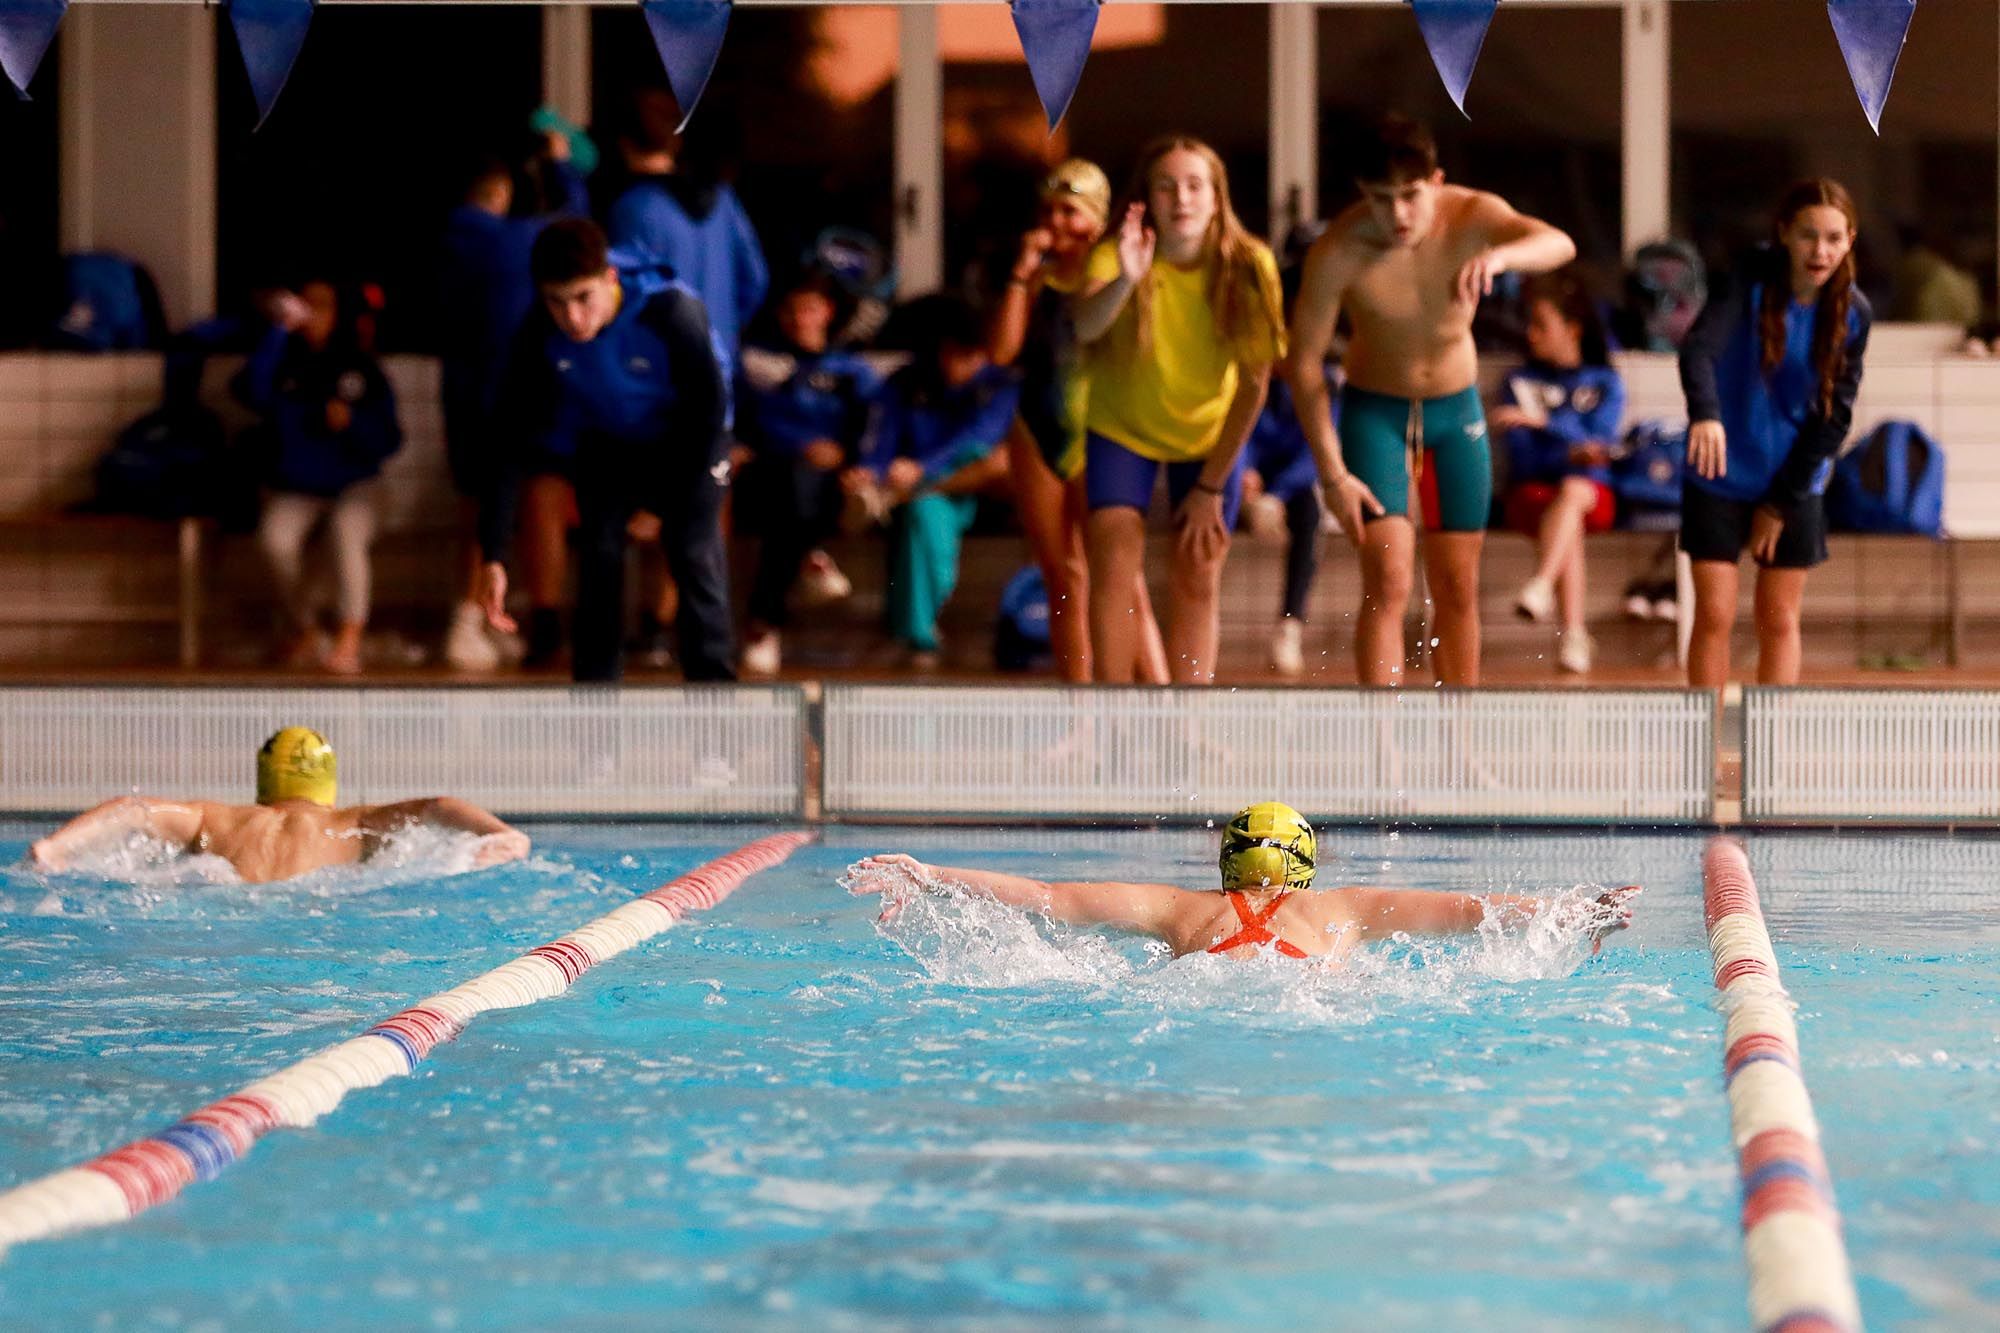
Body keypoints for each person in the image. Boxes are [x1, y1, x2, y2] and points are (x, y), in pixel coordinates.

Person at [1289, 114, 1576, 686]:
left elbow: (1558, 243)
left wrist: (1501, 258)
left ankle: (1458, 747)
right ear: (1360, 194)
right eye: (1381, 200)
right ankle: (1384, 753)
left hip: (1454, 412)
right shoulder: (1338, 251)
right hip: (1377, 414)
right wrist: (1332, 474)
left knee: (1456, 586)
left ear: (1437, 181)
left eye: (1411, 197)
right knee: (1389, 579)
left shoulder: (1472, 216)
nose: (1397, 216)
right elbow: (1302, 365)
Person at [847, 801, 1638, 963]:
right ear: (1307, 864)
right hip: (1314, 998)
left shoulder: (1178, 910)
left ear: (1226, 862)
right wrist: (1581, 908)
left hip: (1200, 994)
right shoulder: (1344, 910)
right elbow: (1478, 912)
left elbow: (1048, 897)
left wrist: (931, 874)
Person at [477, 218, 735, 684]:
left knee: (693, 554)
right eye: (557, 302)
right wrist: (493, 553)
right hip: (610, 439)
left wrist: (664, 505)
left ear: (609, 279)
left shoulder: (670, 312)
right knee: (599, 559)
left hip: (690, 436)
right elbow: (507, 440)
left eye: (583, 298)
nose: (572, 318)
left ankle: (716, 736)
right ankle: (597, 730)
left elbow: (708, 411)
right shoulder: (539, 328)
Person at [1073, 136, 1287, 684]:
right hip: (1124, 428)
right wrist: (1127, 278)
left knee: (1197, 571)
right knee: (1115, 563)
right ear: (1146, 197)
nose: (1181, 199)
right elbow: (1084, 326)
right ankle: (1113, 718)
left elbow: (1254, 385)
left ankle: (1187, 724)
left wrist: (1211, 487)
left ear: (1218, 198)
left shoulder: (1249, 264)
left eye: (1195, 186)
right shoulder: (1117, 251)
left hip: (1209, 435)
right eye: (1166, 187)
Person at [1679, 178, 1872, 688]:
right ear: (1784, 233)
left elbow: (1833, 419)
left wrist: (1778, 504)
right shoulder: (1748, 280)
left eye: (1833, 237)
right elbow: (1699, 348)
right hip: (1718, 470)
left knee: (1779, 618)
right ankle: (1702, 759)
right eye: (1808, 235)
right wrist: (1705, 413)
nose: (1820, 250)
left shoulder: (1853, 314)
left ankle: (1767, 759)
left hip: (1792, 480)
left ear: (1850, 239)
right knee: (1715, 614)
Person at [987, 158, 1167, 684]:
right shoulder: (1037, 281)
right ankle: (1082, 718)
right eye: (1048, 211)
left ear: (1096, 217)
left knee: (1123, 579)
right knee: (1063, 578)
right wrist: (1020, 275)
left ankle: (1172, 713)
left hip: (1103, 434)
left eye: (1069, 212)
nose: (1055, 224)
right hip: (1037, 432)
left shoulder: (1115, 274)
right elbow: (1001, 354)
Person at [438, 137, 588, 671]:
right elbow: (573, 230)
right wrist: (563, 165)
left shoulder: (454, 238)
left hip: (465, 391)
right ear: (500, 191)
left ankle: (482, 614)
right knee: (494, 510)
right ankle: (467, 619)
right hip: (505, 395)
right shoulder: (501, 242)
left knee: (485, 507)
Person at [26, 728, 530, 885]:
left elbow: (132, 810)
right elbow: (440, 805)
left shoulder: (215, 819)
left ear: (263, 780)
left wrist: (56, 847)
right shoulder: (353, 825)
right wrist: (504, 835)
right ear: (328, 782)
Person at [237, 278, 402, 675]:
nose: (313, 314)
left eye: (323, 306)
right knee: (275, 539)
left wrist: (353, 424)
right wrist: (279, 331)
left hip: (356, 484)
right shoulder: (284, 361)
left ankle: (349, 635)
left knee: (346, 532)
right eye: (306, 304)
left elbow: (390, 439)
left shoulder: (362, 366)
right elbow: (251, 392)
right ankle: (306, 627)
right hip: (298, 486)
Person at [848, 296, 1017, 667]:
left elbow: (979, 440)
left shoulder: (998, 386)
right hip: (919, 496)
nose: (963, 365)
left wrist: (922, 470)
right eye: (956, 354)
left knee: (971, 474)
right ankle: (915, 631)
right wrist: (870, 469)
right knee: (923, 515)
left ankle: (913, 628)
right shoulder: (906, 381)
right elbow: (881, 436)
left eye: (972, 356)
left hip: (976, 490)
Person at [735, 270, 882, 676]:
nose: (800, 319)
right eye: (792, 310)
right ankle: (807, 559)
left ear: (828, 313)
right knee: (790, 488)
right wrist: (797, 447)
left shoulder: (851, 370)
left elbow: (874, 428)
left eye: (810, 309)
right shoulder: (759, 363)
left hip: (834, 484)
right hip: (770, 473)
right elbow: (747, 422)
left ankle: (763, 624)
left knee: (802, 499)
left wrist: (853, 461)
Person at [1492, 270, 1626, 675]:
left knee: (1573, 492)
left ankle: (1544, 586)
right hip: (1531, 495)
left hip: (1593, 496)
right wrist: (1570, 448)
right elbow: (1524, 459)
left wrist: (1542, 424)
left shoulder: (1604, 381)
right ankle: (1572, 632)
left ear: (1572, 329)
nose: (1531, 334)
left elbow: (1600, 450)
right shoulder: (1518, 382)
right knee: (1568, 498)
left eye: (1541, 325)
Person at [1242, 363, 1336, 677]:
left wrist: (1277, 495)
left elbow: (1317, 452)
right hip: (1242, 475)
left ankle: (1289, 627)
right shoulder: (1247, 372)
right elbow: (1237, 427)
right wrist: (1243, 470)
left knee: (1309, 515)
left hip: (1291, 482)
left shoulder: (1324, 383)